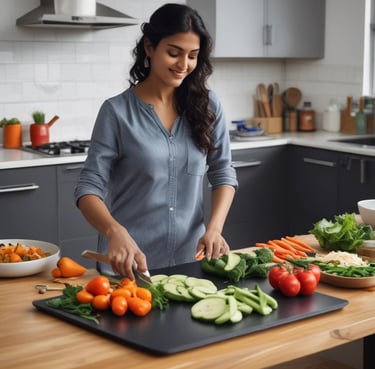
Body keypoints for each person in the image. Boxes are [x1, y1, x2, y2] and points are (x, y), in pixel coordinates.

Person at [74, 3, 238, 279]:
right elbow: (88, 188)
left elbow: (223, 173)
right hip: (129, 267)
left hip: (189, 265)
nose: (183, 65)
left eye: (192, 56)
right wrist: (114, 231)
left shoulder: (209, 106)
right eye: (174, 53)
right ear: (149, 47)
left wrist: (214, 229)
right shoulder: (116, 112)